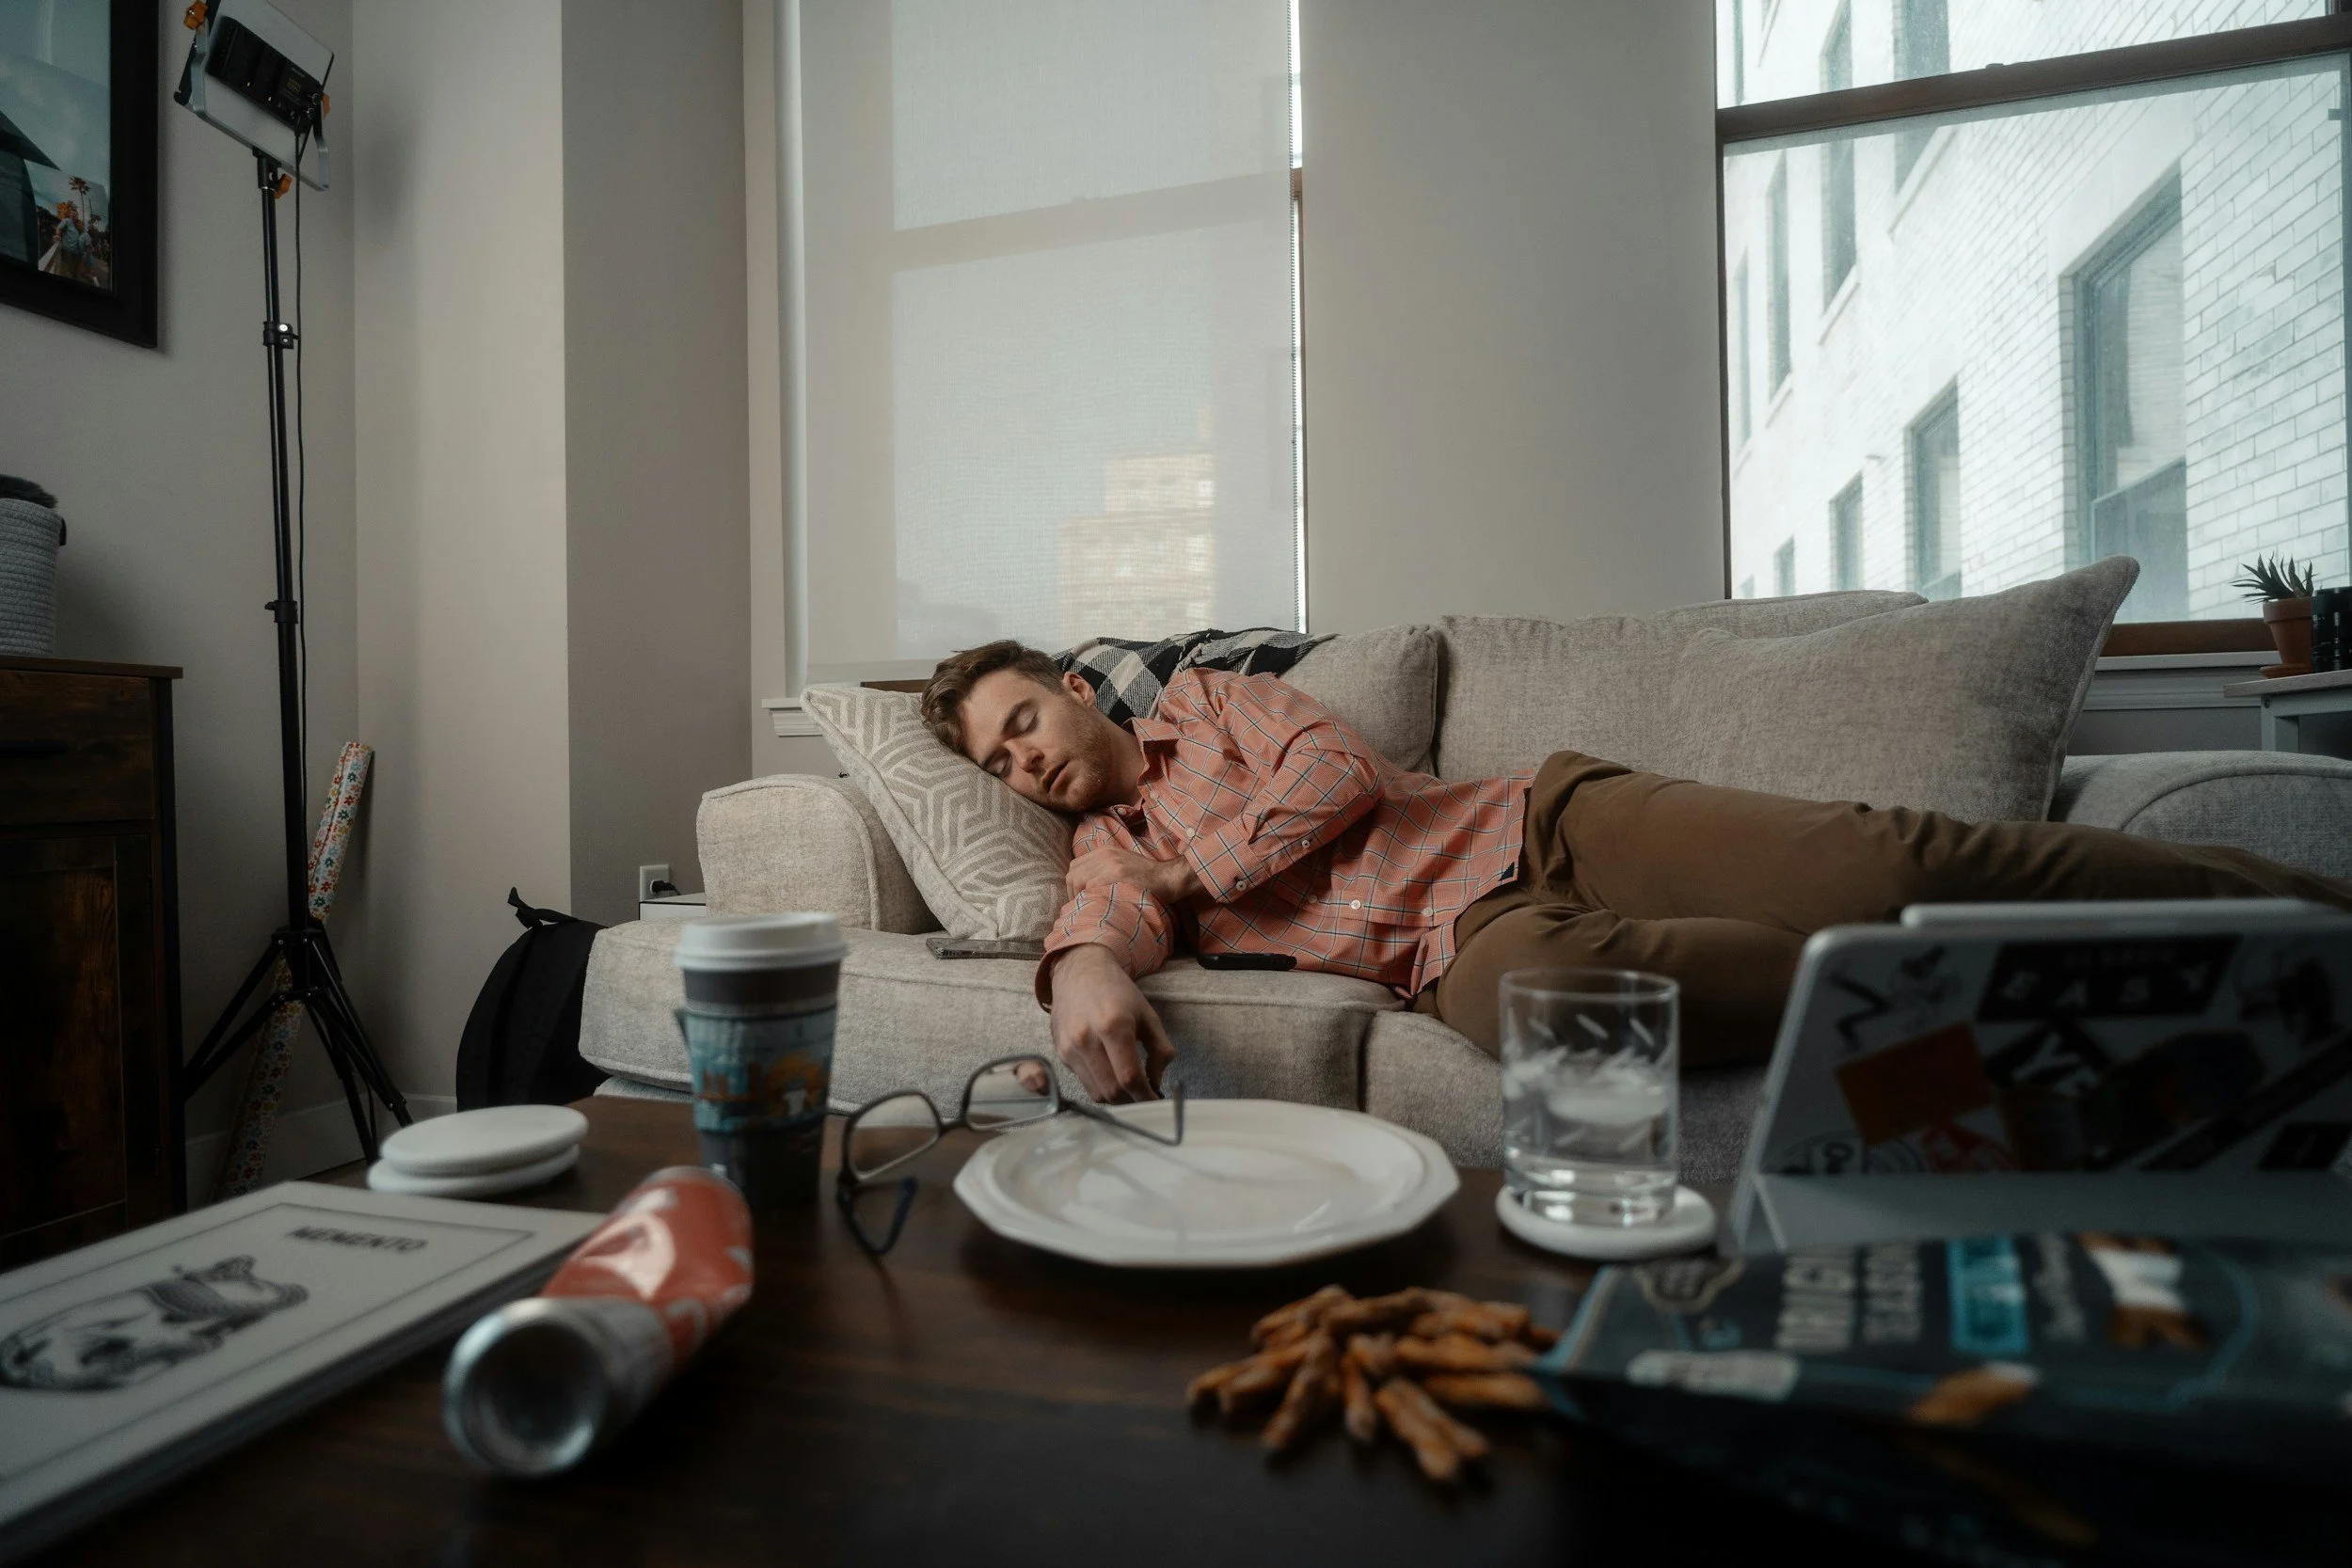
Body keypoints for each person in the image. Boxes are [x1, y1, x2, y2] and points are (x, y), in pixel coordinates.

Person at [920, 641, 2352, 1105]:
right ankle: (2065, 1010)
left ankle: (2311, 928)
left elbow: (1338, 780)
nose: (1024, 763)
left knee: (1882, 863)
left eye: (1022, 723)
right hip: (1455, 946)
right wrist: (1093, 963)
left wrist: (1196, 875)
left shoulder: (1217, 702)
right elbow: (1098, 922)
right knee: (1556, 1018)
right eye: (998, 764)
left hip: (1543, 823)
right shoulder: (1106, 859)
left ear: (1069, 688)